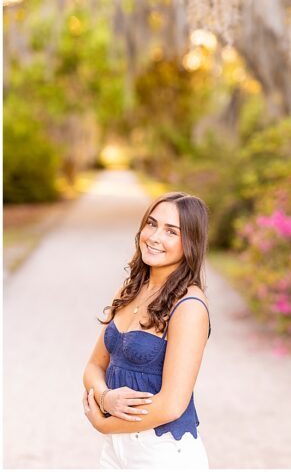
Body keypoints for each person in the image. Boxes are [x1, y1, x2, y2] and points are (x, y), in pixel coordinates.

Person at [82, 192, 212, 468]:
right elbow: (94, 367)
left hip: (162, 452)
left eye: (170, 231)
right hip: (116, 451)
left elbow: (172, 405)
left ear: (190, 242)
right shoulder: (130, 290)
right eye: (151, 224)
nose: (154, 237)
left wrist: (105, 424)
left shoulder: (189, 306)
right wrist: (106, 398)